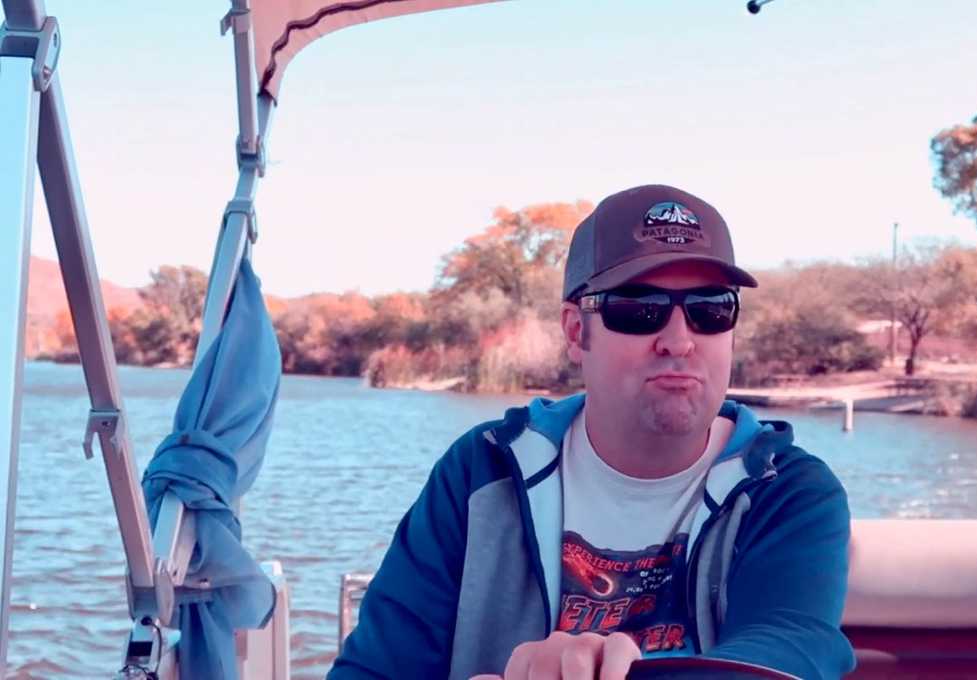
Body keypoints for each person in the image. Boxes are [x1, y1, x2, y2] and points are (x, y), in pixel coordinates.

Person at [328, 185, 856, 680]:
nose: (679, 340)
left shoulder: (787, 491)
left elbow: (789, 651)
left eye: (710, 311)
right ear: (577, 331)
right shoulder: (479, 475)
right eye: (639, 310)